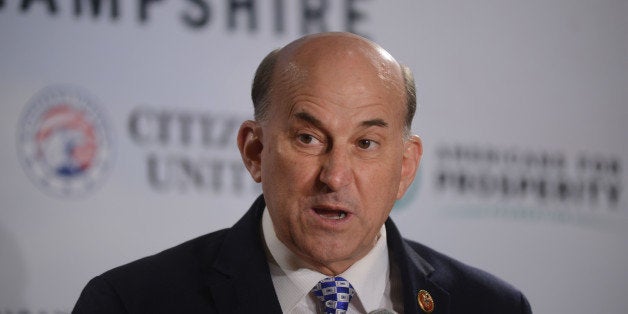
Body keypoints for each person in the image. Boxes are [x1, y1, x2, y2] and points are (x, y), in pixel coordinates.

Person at [72, 32, 531, 314]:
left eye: (366, 144)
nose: (335, 176)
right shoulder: (131, 303)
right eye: (309, 139)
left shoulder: (492, 307)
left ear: (405, 167)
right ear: (255, 150)